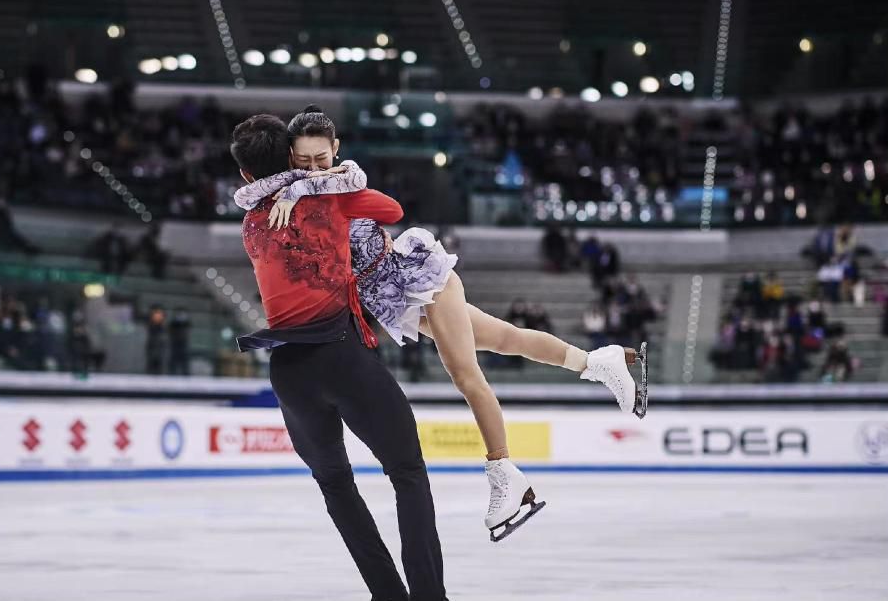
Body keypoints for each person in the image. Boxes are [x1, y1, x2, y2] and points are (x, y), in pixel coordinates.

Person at [235, 105, 648, 540]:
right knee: (506, 338)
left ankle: (506, 476)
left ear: (335, 150)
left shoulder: (339, 187)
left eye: (323, 158)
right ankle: (597, 363)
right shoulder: (296, 201)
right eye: (304, 162)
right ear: (290, 160)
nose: (314, 168)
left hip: (418, 277)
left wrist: (310, 187)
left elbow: (388, 207)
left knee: (466, 375)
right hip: (395, 298)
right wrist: (297, 191)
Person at [230, 114, 448, 601]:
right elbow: (390, 210)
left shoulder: (249, 221)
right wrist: (320, 179)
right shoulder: (329, 196)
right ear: (291, 158)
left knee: (334, 485)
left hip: (288, 371)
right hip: (342, 359)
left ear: (246, 175)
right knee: (407, 474)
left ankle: (387, 595)